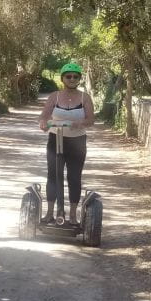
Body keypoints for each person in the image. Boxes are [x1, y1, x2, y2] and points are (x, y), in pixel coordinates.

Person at [38, 62, 95, 224]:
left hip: (77, 142)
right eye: (68, 76)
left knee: (74, 177)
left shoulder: (85, 97)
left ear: (79, 79)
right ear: (62, 78)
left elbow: (91, 119)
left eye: (75, 77)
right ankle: (50, 213)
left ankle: (72, 216)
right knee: (53, 175)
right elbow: (44, 115)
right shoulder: (54, 96)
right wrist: (43, 123)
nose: (72, 79)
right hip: (55, 139)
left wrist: (81, 123)